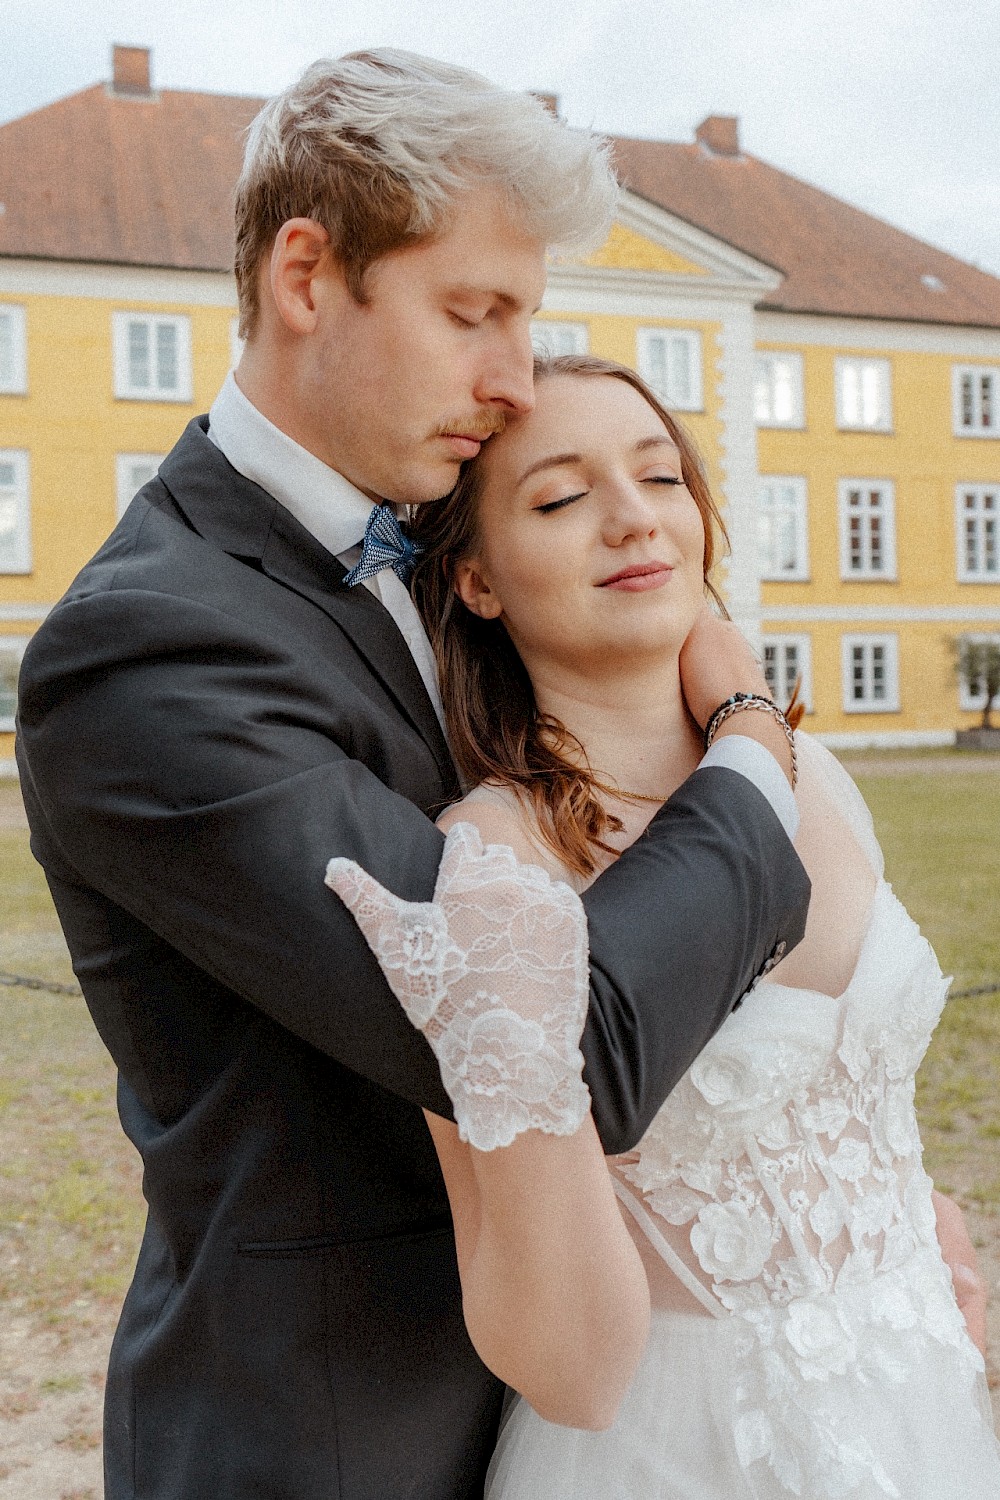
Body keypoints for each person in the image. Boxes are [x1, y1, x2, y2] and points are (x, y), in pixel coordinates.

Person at [14, 52, 814, 1500]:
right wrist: (756, 744)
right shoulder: (144, 655)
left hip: (623, 1411)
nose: (514, 381)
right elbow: (559, 1048)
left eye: (530, 322)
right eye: (473, 315)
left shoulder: (473, 555)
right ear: (309, 276)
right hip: (343, 1439)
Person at [327, 354, 1000, 1499]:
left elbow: (845, 1108)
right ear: (477, 579)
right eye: (560, 497)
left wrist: (913, 1223)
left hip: (919, 1393)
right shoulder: (491, 869)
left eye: (660, 476)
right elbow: (561, 1360)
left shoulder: (816, 775)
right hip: (684, 1446)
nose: (634, 517)